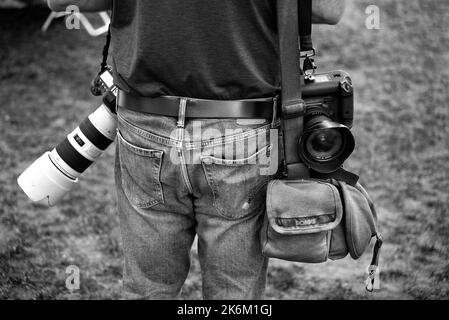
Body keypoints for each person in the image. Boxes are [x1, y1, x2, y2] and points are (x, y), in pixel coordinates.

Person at [48, 0, 345, 300]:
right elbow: (327, 9)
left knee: (147, 290)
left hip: (146, 123)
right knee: (234, 293)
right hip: (240, 129)